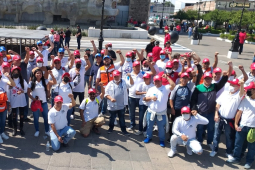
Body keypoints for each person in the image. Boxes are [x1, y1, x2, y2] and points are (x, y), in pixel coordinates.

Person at [191, 69, 230, 150]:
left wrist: (225, 76)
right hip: (201, 112)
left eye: (209, 79)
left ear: (211, 79)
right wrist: (194, 108)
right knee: (200, 128)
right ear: (203, 79)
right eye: (206, 79)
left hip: (211, 112)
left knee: (211, 128)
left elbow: (222, 82)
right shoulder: (198, 88)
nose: (207, 80)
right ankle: (199, 140)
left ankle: (209, 142)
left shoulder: (214, 86)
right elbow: (193, 100)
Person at [210, 79, 244, 159]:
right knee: (216, 135)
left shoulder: (238, 96)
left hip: (229, 120)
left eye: (233, 85)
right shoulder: (225, 93)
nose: (231, 86)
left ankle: (229, 152)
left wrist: (242, 85)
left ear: (238, 87)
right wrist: (216, 114)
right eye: (231, 85)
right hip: (220, 117)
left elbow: (242, 93)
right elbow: (218, 104)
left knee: (229, 136)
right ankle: (214, 149)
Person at [227, 81, 255, 169]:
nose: (247, 91)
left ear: (254, 90)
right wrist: (236, 124)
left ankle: (249, 162)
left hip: (253, 128)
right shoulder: (245, 99)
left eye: (249, 90)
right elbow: (239, 112)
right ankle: (236, 158)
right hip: (242, 126)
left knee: (252, 147)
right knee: (238, 144)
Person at [143, 74, 175, 147]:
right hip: (151, 112)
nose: (157, 83)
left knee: (161, 128)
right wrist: (151, 98)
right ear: (153, 82)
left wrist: (167, 77)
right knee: (149, 126)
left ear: (161, 81)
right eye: (155, 81)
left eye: (158, 81)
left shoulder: (165, 88)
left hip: (161, 113)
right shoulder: (151, 89)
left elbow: (173, 85)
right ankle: (148, 137)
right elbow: (144, 99)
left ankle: (161, 140)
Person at [27, 69, 56, 137]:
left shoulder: (44, 81)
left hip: (43, 102)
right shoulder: (31, 82)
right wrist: (33, 99)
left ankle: (46, 130)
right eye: (37, 73)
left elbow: (54, 82)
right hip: (35, 103)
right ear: (35, 74)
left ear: (42, 74)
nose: (39, 74)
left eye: (40, 73)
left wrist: (51, 74)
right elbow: (28, 93)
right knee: (36, 118)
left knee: (46, 118)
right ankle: (37, 130)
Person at [105, 70, 134, 135]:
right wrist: (111, 98)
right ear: (113, 77)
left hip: (121, 105)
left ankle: (123, 130)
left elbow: (131, 84)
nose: (116, 78)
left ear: (120, 76)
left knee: (121, 118)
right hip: (112, 105)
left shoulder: (124, 82)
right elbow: (106, 94)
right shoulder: (110, 83)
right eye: (115, 76)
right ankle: (110, 128)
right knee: (112, 118)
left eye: (117, 76)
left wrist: (130, 77)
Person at [9, 66, 28, 136]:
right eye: (14, 72)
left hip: (21, 101)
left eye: (17, 72)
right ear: (12, 72)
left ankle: (21, 128)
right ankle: (15, 129)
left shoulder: (22, 80)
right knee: (14, 115)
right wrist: (9, 101)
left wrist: (22, 91)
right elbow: (9, 91)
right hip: (13, 100)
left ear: (19, 73)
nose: (16, 73)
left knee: (22, 115)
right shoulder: (10, 81)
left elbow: (26, 90)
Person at [0, 70, 15, 143]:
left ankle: (2, 133)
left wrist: (9, 77)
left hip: (4, 102)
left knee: (3, 120)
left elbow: (13, 84)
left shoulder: (3, 80)